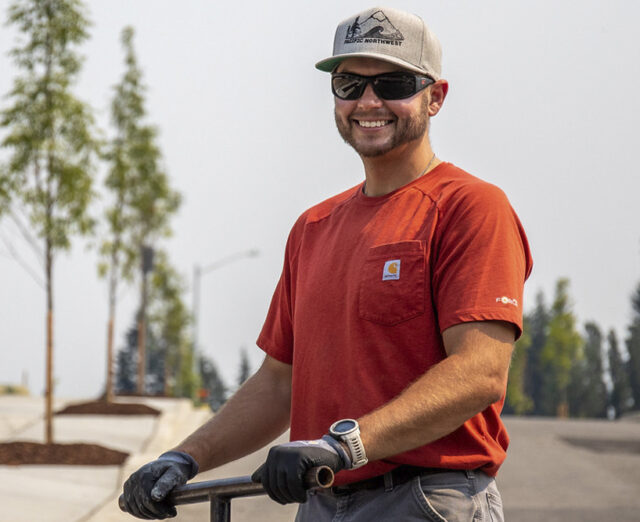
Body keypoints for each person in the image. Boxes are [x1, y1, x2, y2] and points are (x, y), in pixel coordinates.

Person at [120, 6, 532, 521]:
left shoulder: (469, 207)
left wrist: (344, 446)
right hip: (321, 503)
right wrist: (183, 457)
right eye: (349, 84)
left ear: (436, 97)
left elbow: (479, 373)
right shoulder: (313, 227)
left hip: (425, 500)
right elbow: (277, 385)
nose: (369, 101)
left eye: (394, 83)